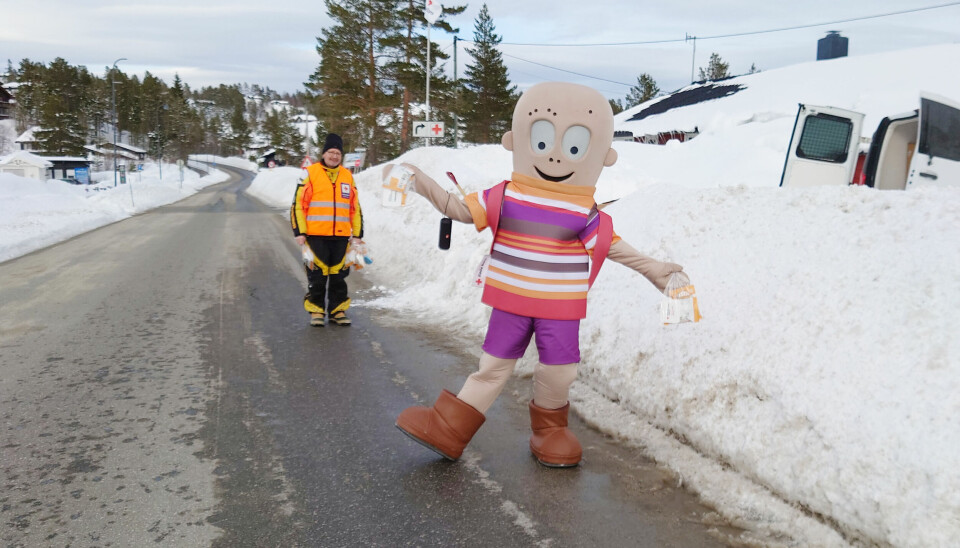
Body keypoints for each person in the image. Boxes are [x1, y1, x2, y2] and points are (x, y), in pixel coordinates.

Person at [391, 82, 683, 467]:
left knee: (559, 371)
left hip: (559, 309)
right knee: (492, 368)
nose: (558, 156)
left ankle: (550, 430)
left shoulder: (583, 212)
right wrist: (418, 180)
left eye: (576, 147)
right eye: (543, 140)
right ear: (516, 140)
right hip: (511, 302)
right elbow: (458, 209)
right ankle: (449, 427)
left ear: (602, 155)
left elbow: (614, 247)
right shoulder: (504, 195)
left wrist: (658, 271)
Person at [290, 133, 363, 327]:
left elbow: (354, 208)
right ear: (323, 154)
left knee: (340, 276)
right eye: (330, 152)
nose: (334, 156)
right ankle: (316, 311)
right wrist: (300, 231)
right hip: (315, 236)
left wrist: (357, 234)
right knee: (317, 276)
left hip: (340, 237)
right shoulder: (310, 173)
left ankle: (337, 311)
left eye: (337, 153)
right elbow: (298, 204)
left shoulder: (347, 176)